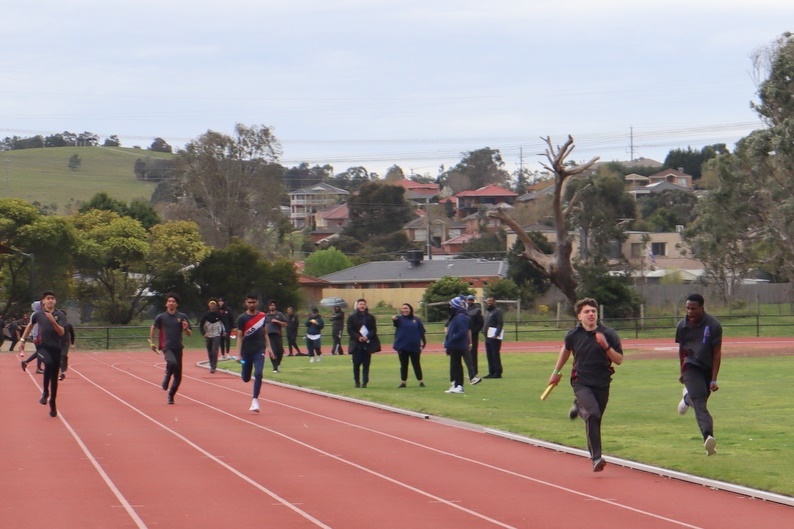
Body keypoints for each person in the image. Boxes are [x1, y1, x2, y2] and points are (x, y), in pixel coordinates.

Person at [548, 298, 624, 472]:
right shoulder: (573, 335)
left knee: (595, 418)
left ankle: (578, 408)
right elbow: (565, 350)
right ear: (579, 316)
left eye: (593, 311)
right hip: (581, 382)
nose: (591, 314)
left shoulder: (609, 334)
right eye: (587, 312)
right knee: (593, 413)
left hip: (603, 383)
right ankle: (596, 457)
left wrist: (606, 347)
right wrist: (555, 372)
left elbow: (619, 360)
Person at [676, 293, 723, 456]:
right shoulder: (681, 326)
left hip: (707, 369)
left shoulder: (713, 325)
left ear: (702, 308)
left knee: (698, 401)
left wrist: (714, 378)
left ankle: (686, 399)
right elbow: (682, 350)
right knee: (700, 405)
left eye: (693, 308)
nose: (690, 311)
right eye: (687, 308)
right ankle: (708, 438)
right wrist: (682, 370)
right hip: (691, 367)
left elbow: (717, 353)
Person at [18, 291, 68, 417]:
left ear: (55, 301)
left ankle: (53, 403)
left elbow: (62, 332)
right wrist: (23, 340)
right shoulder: (38, 314)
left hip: (56, 348)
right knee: (48, 363)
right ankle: (45, 392)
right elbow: (30, 325)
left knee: (54, 378)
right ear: (43, 301)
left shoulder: (60, 315)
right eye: (48, 298)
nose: (50, 300)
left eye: (52, 298)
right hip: (42, 347)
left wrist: (53, 322)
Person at [149, 293, 192, 405]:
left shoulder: (182, 316)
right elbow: (153, 328)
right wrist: (152, 343)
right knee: (172, 362)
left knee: (178, 376)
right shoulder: (161, 317)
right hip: (166, 346)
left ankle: (171, 395)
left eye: (173, 301)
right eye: (169, 301)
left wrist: (186, 328)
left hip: (178, 346)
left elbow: (189, 334)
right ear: (166, 303)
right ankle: (167, 376)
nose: (171, 303)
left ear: (176, 304)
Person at [237, 293, 267, 412]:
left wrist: (269, 347)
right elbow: (239, 336)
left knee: (259, 373)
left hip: (259, 350)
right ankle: (244, 371)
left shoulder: (262, 316)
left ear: (257, 303)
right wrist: (238, 354)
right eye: (249, 302)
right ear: (246, 303)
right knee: (246, 378)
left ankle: (255, 400)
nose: (251, 304)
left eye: (253, 302)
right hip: (246, 352)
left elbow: (265, 333)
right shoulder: (242, 318)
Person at [347, 298, 380, 388]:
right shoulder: (352, 317)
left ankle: (365, 382)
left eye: (363, 304)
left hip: (367, 343)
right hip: (357, 344)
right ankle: (357, 381)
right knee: (356, 364)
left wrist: (367, 337)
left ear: (366, 306)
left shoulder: (370, 317)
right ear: (357, 306)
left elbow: (374, 329)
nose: (362, 306)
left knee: (366, 364)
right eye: (360, 304)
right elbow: (350, 330)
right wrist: (358, 337)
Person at [392, 303, 426, 388]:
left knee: (416, 363)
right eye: (403, 308)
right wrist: (394, 319)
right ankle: (403, 382)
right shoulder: (399, 319)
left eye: (406, 308)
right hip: (402, 346)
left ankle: (420, 381)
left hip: (414, 345)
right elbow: (395, 323)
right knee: (404, 364)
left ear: (410, 309)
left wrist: (424, 342)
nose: (405, 310)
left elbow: (421, 332)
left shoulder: (416, 320)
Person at [444, 296, 470, 394]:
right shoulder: (456, 317)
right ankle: (455, 384)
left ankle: (460, 385)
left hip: (457, 345)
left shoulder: (460, 317)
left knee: (458, 365)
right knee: (455, 365)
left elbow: (462, 331)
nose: (450, 308)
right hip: (454, 344)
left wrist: (451, 340)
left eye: (451, 306)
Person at [199, 299, 225, 373]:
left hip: (217, 335)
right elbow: (201, 325)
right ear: (209, 306)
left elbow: (224, 323)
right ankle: (211, 365)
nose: (212, 306)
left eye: (214, 305)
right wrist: (204, 333)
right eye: (211, 305)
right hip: (208, 335)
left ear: (216, 306)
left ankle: (213, 366)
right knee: (210, 351)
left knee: (214, 350)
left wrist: (224, 331)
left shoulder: (219, 314)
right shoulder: (206, 315)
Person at [482, 296, 504, 379]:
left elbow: (500, 323)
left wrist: (496, 334)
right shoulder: (487, 312)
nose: (489, 303)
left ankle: (497, 372)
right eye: (488, 301)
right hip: (487, 336)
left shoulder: (497, 311)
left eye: (491, 301)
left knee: (495, 354)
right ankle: (491, 372)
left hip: (494, 337)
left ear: (494, 302)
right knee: (489, 355)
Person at [264, 300, 288, 373]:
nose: (272, 306)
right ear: (269, 307)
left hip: (277, 335)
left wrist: (278, 322)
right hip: (269, 336)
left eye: (273, 305)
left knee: (279, 351)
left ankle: (278, 363)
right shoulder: (266, 316)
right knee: (272, 351)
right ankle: (274, 368)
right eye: (271, 305)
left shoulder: (279, 314)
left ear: (275, 306)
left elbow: (286, 324)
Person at [466, 295, 484, 385]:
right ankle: (470, 372)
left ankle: (474, 372)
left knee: (473, 354)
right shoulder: (466, 309)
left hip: (473, 335)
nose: (470, 301)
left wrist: (474, 332)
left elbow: (481, 323)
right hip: (466, 335)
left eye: (471, 300)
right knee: (468, 354)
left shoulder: (477, 310)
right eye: (468, 300)